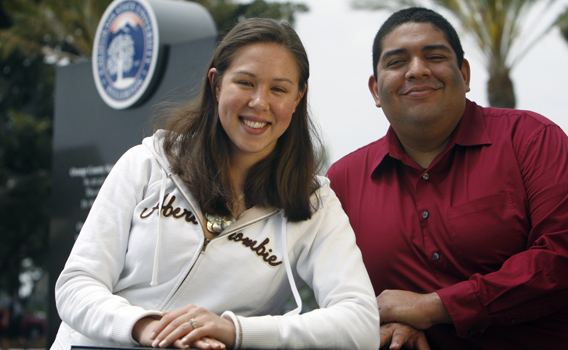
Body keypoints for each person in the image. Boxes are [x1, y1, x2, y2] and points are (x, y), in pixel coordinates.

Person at [51, 18, 379, 350]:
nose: (259, 102)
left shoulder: (313, 204)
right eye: (246, 82)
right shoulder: (148, 164)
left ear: (298, 97)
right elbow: (76, 285)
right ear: (217, 83)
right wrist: (144, 327)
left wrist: (235, 331)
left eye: (279, 89)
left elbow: (359, 324)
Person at [326, 7, 568, 350]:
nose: (417, 70)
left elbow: (564, 262)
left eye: (434, 56)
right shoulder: (343, 183)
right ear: (376, 90)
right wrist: (386, 324)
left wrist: (431, 308)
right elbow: (344, 295)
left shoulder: (532, 139)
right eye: (396, 62)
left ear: (464, 75)